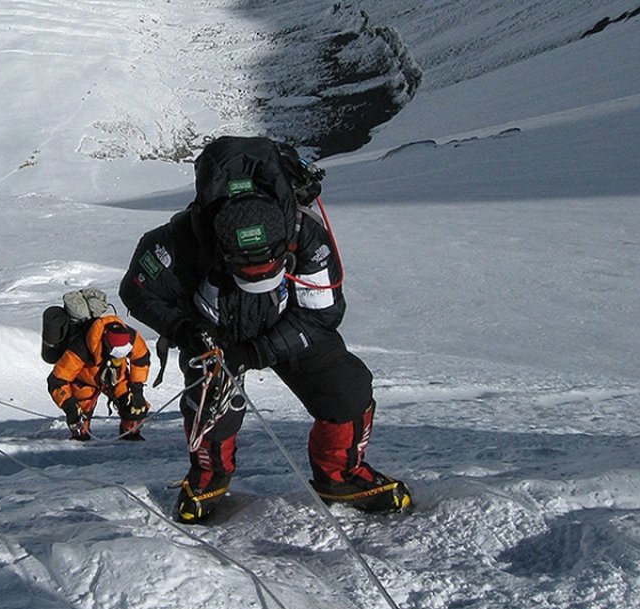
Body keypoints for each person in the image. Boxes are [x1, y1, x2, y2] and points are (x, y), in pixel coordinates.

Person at [118, 135, 411, 523]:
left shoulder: (305, 234)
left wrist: (258, 351)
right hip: (213, 332)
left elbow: (322, 313)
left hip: (286, 322)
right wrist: (187, 330)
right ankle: (209, 477)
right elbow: (137, 291)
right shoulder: (179, 241)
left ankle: (340, 477)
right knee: (210, 407)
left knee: (347, 388)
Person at [47, 315, 152, 441]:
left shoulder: (132, 337)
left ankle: (129, 432)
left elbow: (141, 359)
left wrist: (137, 391)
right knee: (80, 426)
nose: (118, 360)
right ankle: (81, 436)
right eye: (115, 355)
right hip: (84, 382)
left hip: (117, 379)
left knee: (135, 408)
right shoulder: (80, 348)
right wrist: (70, 407)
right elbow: (57, 380)